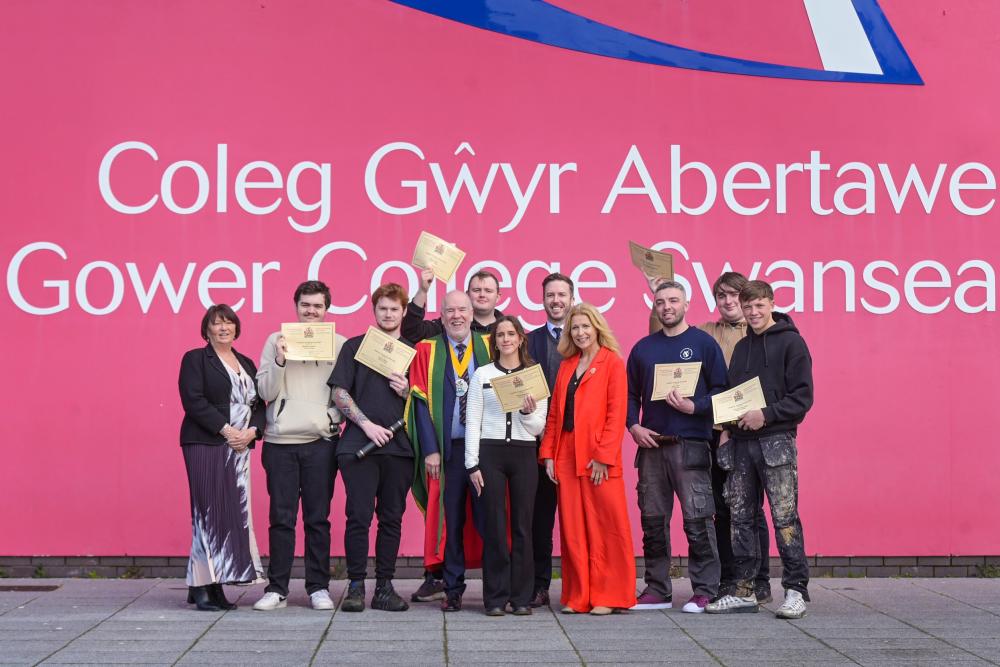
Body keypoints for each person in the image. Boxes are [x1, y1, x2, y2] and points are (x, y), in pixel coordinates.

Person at [706, 280, 814, 619]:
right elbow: (733, 396)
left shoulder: (792, 343)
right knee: (740, 519)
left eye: (758, 306)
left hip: (777, 443)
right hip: (740, 445)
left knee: (784, 519)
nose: (752, 312)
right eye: (747, 306)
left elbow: (802, 398)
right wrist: (725, 428)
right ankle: (745, 591)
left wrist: (765, 415)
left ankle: (795, 591)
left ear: (770, 304)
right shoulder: (741, 349)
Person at [627, 281, 728, 614]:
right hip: (652, 445)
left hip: (691, 444)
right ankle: (657, 589)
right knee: (652, 521)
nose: (667, 306)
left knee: (698, 520)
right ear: (653, 306)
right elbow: (629, 395)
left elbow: (722, 390)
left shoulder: (703, 343)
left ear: (687, 303)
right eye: (661, 301)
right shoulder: (642, 349)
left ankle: (703, 590)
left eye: (673, 300)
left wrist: (695, 407)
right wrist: (633, 425)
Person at [252, 281, 345, 612]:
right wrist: (279, 359)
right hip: (280, 442)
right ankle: (277, 588)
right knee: (281, 517)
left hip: (321, 443)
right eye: (305, 305)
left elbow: (345, 393)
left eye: (317, 306)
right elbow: (263, 389)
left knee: (318, 518)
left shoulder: (339, 344)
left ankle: (318, 587)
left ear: (326, 309)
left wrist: (329, 418)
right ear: (296, 306)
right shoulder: (275, 340)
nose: (311, 311)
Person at [539, 303, 636, 615]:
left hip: (598, 458)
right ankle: (578, 596)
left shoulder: (612, 363)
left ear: (597, 328)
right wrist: (549, 454)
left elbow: (616, 412)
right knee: (573, 528)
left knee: (606, 526)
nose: (580, 333)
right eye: (574, 328)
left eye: (585, 326)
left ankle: (608, 596)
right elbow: (554, 414)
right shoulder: (567, 364)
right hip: (566, 454)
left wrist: (604, 456)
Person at [328, 283, 414, 613]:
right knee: (358, 517)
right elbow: (339, 393)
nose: (388, 314)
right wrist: (366, 425)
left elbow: (426, 402)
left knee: (392, 519)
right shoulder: (354, 347)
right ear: (374, 311)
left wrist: (407, 392)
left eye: (394, 308)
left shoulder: (414, 352)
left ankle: (385, 588)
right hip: (357, 446)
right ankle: (354, 586)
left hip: (400, 449)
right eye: (383, 309)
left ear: (404, 312)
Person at [406, 290, 491, 611]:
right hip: (448, 450)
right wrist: (430, 449)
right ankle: (452, 588)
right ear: (440, 316)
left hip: (484, 452)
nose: (457, 315)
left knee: (489, 519)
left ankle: (496, 587)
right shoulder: (427, 350)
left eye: (462, 310)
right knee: (452, 520)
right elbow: (419, 403)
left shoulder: (489, 345)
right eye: (450, 310)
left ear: (473, 314)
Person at [178, 303, 265, 611]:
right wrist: (229, 432)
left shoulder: (247, 362)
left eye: (229, 323)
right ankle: (201, 587)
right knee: (207, 513)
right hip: (208, 443)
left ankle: (216, 586)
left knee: (229, 516)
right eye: (217, 323)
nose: (224, 327)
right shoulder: (195, 359)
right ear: (207, 329)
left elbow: (261, 405)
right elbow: (194, 401)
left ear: (236, 328)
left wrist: (252, 432)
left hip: (241, 447)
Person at [465, 316, 548, 615]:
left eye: (511, 333)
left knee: (523, 526)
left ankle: (521, 598)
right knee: (495, 527)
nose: (506, 339)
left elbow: (539, 426)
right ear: (494, 341)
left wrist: (528, 413)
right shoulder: (482, 375)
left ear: (521, 338)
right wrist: (471, 464)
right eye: (500, 334)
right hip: (490, 455)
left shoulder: (534, 375)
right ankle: (496, 598)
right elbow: (472, 420)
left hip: (524, 454)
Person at [699, 272, 772, 604]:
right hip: (715, 433)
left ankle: (761, 580)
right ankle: (730, 579)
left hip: (750, 433)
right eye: (721, 296)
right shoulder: (707, 332)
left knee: (752, 510)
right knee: (722, 510)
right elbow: (664, 331)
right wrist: (657, 293)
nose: (728, 302)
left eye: (734, 295)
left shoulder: (761, 334)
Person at [524, 272, 574, 607]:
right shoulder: (529, 341)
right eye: (550, 295)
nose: (556, 300)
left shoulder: (586, 336)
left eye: (561, 295)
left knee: (578, 518)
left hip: (575, 442)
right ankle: (539, 584)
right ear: (542, 300)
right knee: (539, 519)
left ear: (572, 298)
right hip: (539, 442)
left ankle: (581, 585)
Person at [403, 268, 503, 342]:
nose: (482, 295)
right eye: (476, 290)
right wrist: (423, 291)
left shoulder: (508, 328)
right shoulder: (450, 324)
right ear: (467, 295)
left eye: (488, 291)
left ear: (498, 297)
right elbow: (411, 332)